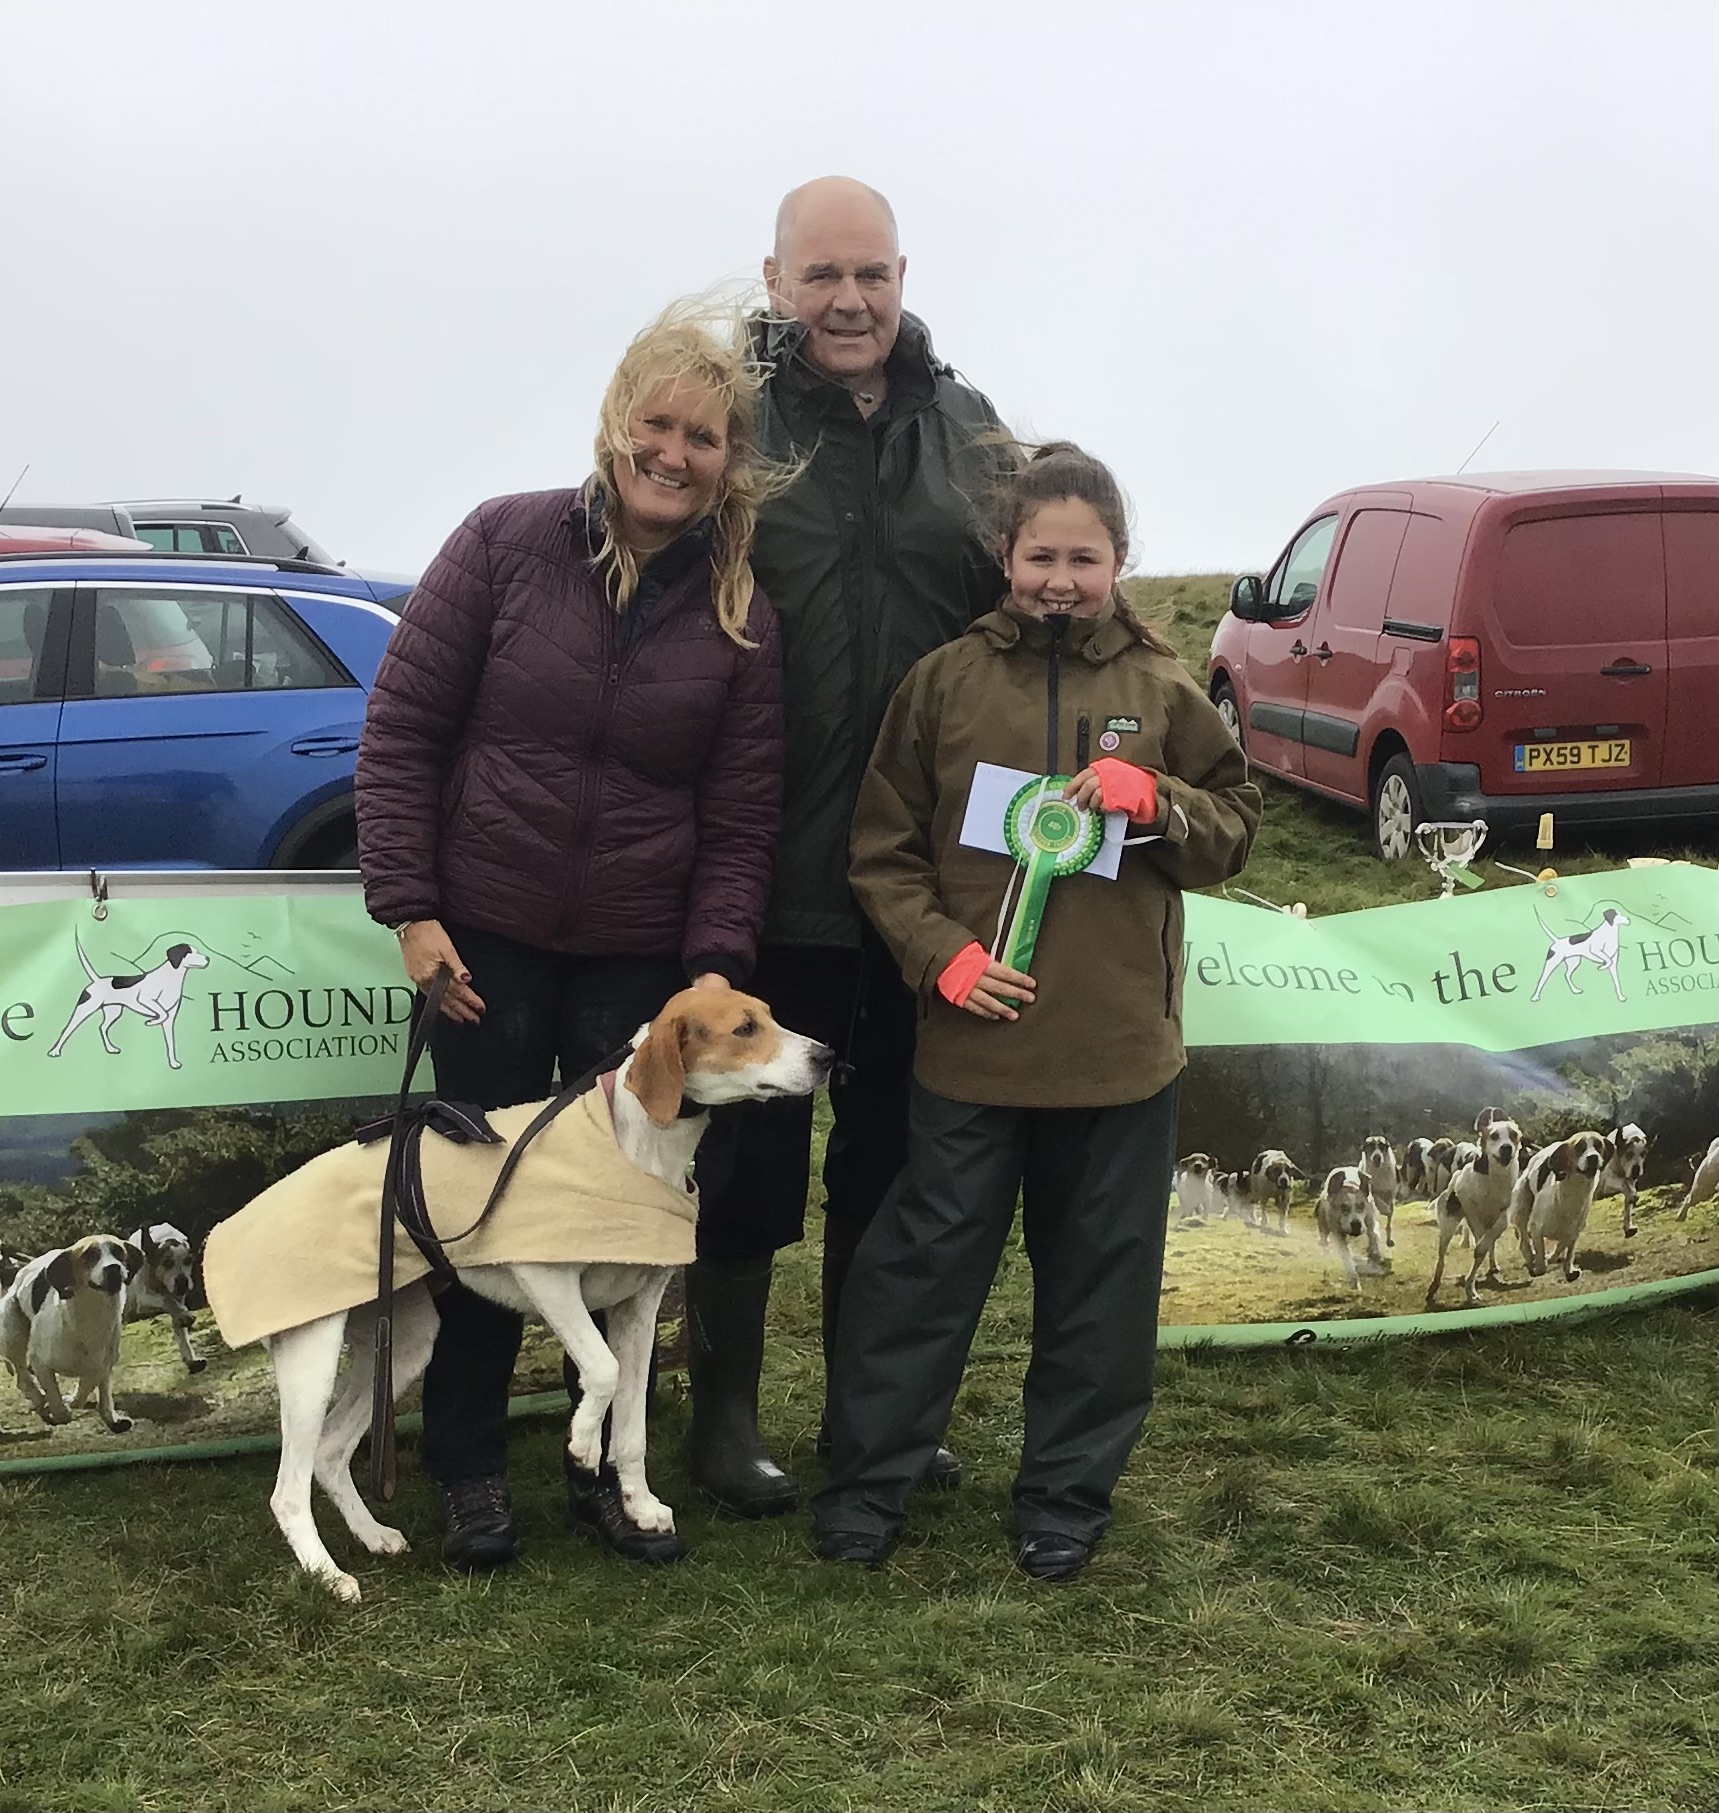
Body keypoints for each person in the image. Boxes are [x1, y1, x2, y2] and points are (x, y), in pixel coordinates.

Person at [355, 299, 787, 1572]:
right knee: (488, 1213)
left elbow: (741, 815)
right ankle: (470, 1469)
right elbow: (401, 734)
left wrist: (713, 962)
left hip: (636, 967)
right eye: (658, 423)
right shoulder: (500, 540)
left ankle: (610, 1472)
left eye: (703, 437)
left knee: (627, 1230)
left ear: (729, 461)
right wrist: (412, 910)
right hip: (482, 948)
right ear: (615, 422)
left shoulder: (742, 613)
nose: (674, 454)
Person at [811, 443, 1262, 1580]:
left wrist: (1159, 800)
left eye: (1084, 559)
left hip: (1120, 1058)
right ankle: (870, 1481)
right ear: (1004, 555)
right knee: (922, 1274)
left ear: (1119, 560)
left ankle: (1065, 1495)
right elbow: (882, 852)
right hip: (973, 1049)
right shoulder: (942, 684)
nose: (1060, 580)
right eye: (1040, 557)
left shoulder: (1162, 692)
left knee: (1099, 1287)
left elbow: (1234, 831)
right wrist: (942, 957)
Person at [679, 176, 1010, 1517]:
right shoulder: (730, 418)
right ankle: (724, 1426)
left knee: (888, 1156)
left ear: (902, 276)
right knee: (747, 1165)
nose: (849, 300)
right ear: (774, 281)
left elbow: (1023, 606)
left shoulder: (968, 431)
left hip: (922, 880)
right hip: (766, 866)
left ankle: (870, 1417)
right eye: (821, 275)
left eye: (870, 273)